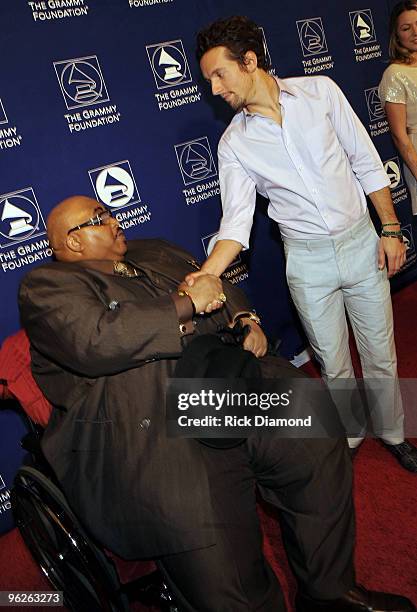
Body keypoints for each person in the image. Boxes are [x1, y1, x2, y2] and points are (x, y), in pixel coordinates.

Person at [18, 195, 415, 612]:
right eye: (98, 218)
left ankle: (328, 591)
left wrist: (246, 318)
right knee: (221, 558)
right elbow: (96, 339)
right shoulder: (48, 286)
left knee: (316, 437)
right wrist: (187, 304)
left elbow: (218, 285)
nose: (114, 219)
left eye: (109, 210)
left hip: (229, 382)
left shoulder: (154, 249)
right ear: (72, 243)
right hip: (155, 424)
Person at [191, 15, 417, 471]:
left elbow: (366, 161)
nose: (214, 89)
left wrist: (390, 228)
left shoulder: (321, 92)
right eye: (207, 79)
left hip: (361, 243)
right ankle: (350, 438)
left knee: (379, 351)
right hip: (308, 263)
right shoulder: (234, 144)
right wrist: (205, 275)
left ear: (249, 61)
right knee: (333, 364)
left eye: (220, 74)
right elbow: (235, 224)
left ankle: (394, 433)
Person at [379, 0, 417, 216]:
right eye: (406, 28)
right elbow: (400, 137)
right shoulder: (395, 74)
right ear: (397, 35)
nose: (415, 32)